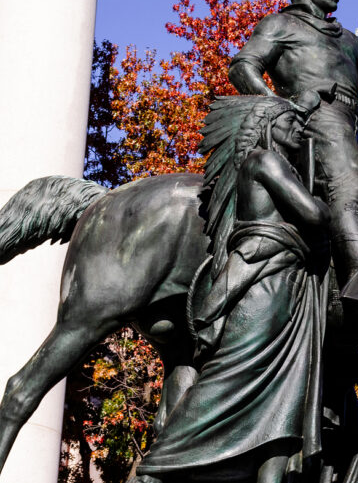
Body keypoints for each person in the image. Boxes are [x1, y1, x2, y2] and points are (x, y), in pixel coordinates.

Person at [131, 98, 330, 483]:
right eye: (290, 121)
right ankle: (157, 467)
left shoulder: (283, 165)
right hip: (264, 286)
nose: (299, 129)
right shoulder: (264, 161)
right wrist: (331, 199)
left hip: (288, 288)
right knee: (228, 378)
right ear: (268, 126)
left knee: (284, 406)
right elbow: (315, 214)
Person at [229, 0, 358, 304]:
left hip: (350, 122)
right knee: (344, 175)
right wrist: (279, 105)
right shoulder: (279, 24)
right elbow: (243, 66)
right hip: (314, 119)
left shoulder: (346, 39)